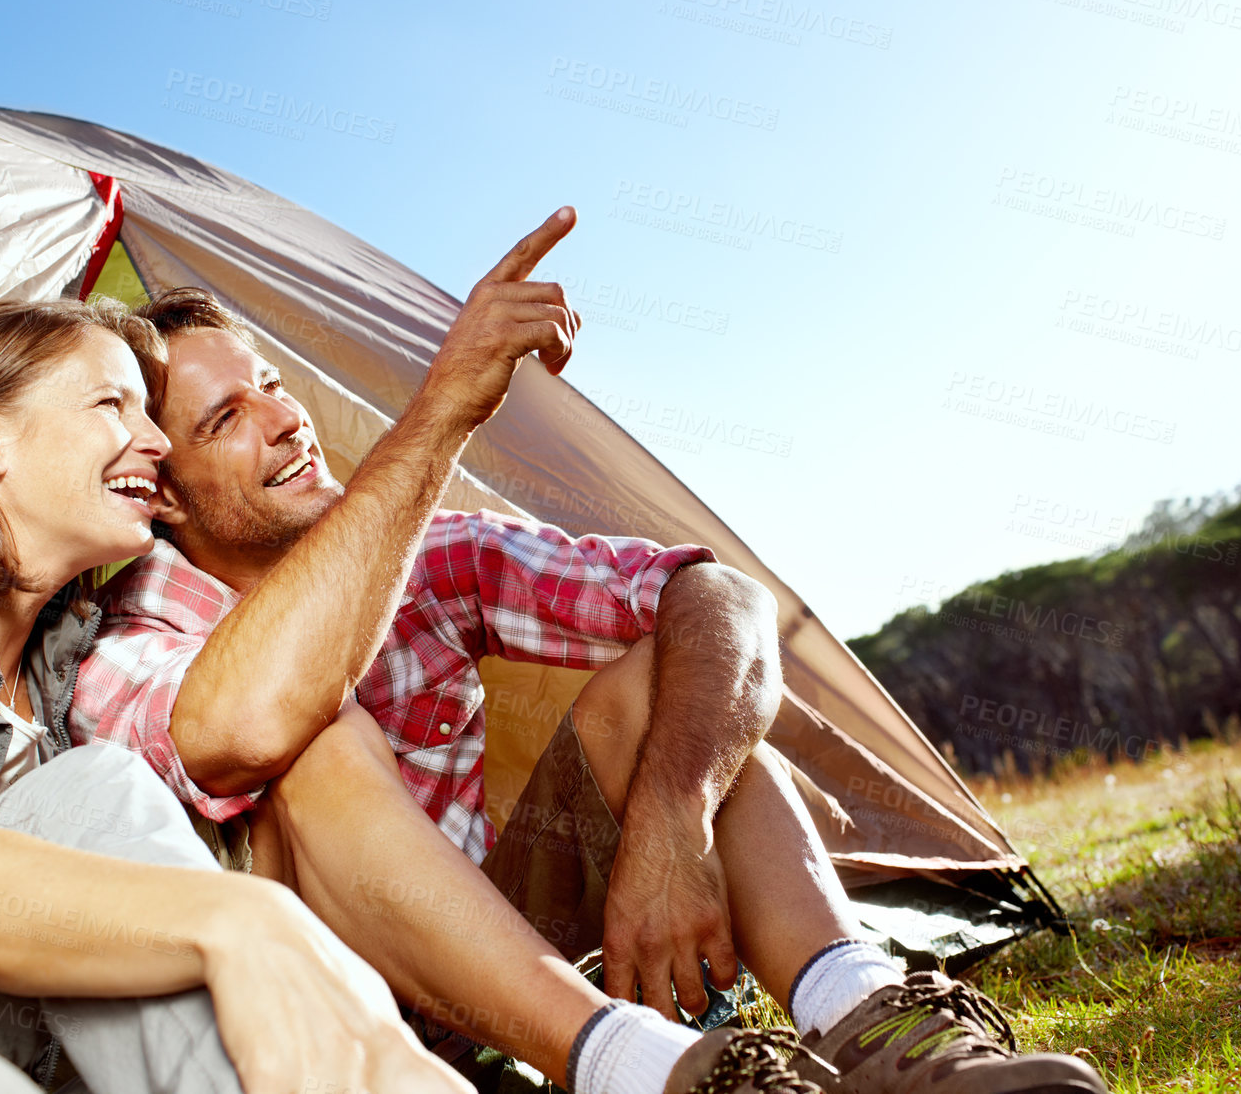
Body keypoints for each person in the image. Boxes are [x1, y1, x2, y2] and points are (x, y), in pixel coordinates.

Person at [73, 209, 1110, 1094]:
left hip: (501, 968)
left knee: (676, 688)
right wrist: (442, 412)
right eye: (226, 417)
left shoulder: (421, 554)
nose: (285, 419)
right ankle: (655, 1073)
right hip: (321, 1024)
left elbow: (719, 595)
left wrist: (673, 814)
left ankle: (881, 1028)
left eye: (268, 381)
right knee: (313, 740)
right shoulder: (132, 643)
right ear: (161, 488)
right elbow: (237, 734)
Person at [0, 298, 473, 1094]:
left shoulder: (66, 667)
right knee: (90, 793)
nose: (157, 442)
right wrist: (243, 924)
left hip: (21, 1057)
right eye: (112, 404)